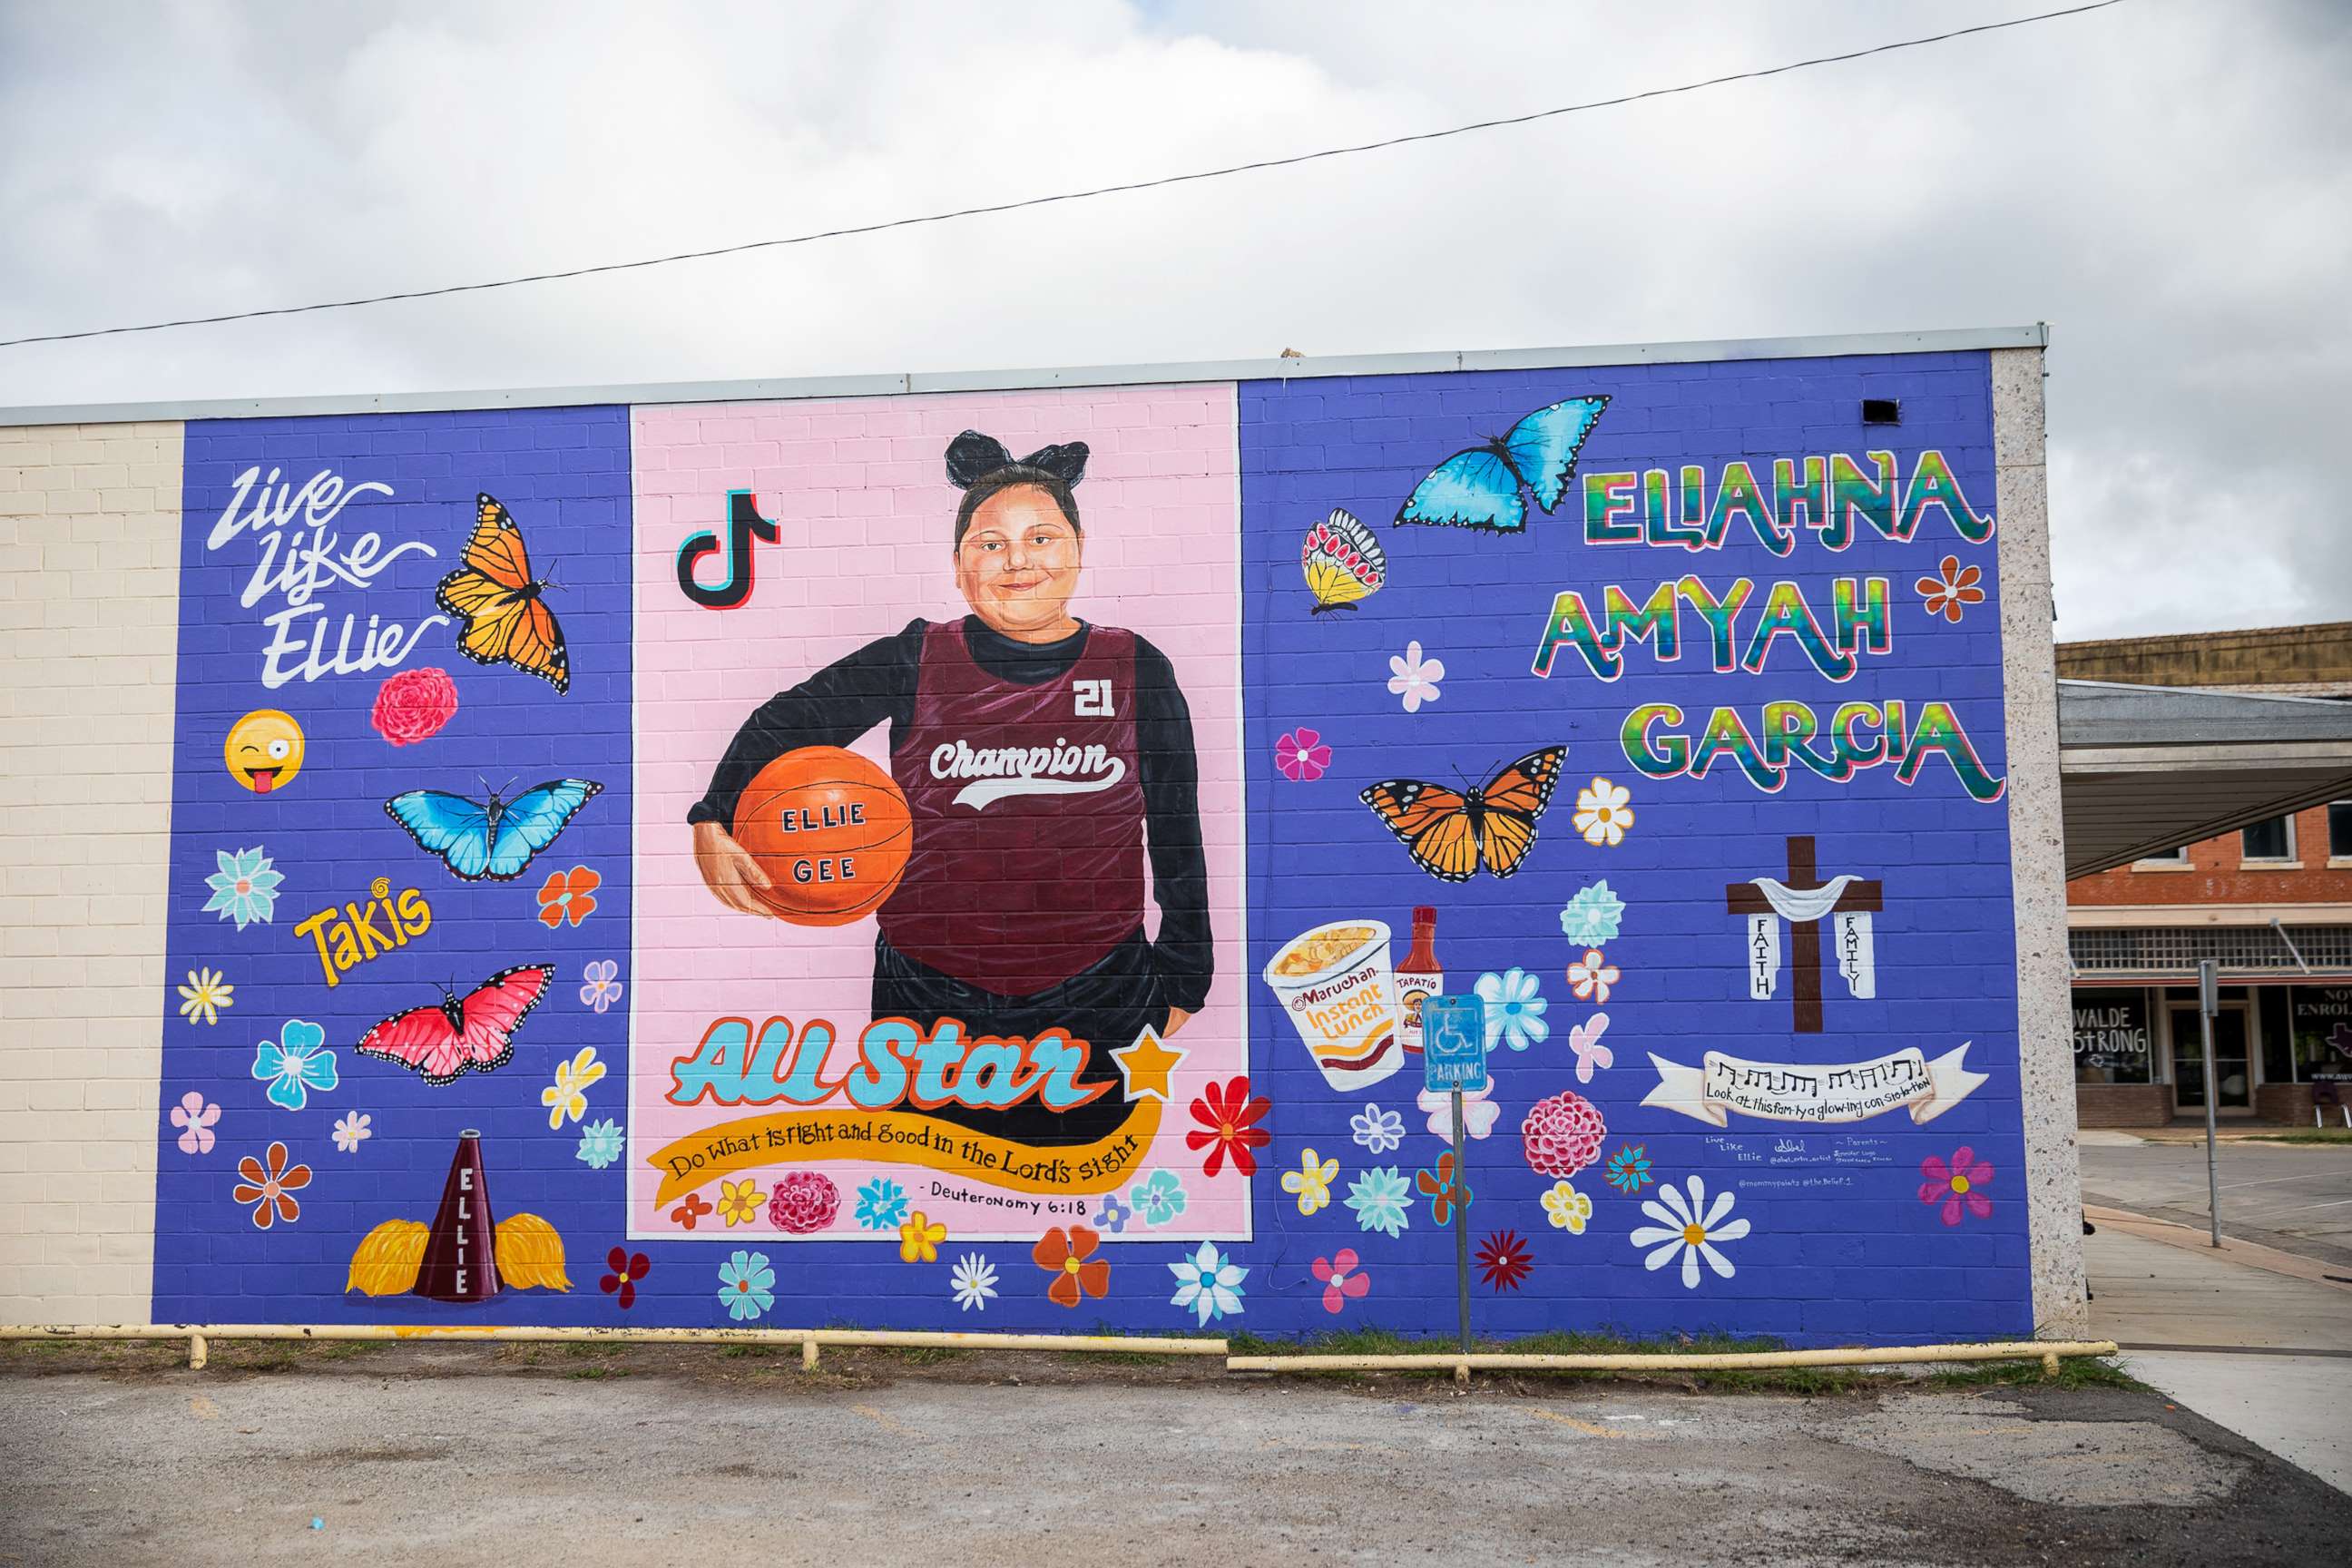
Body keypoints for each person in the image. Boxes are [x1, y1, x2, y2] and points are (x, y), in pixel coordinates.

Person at [689, 430, 1211, 1148]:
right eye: (989, 543)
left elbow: (1177, 826)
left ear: (1079, 549)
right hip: (929, 1000)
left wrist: (1186, 977)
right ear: (958, 566)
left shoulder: (1135, 666)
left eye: (1041, 537)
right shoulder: (915, 657)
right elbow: (792, 716)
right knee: (933, 1188)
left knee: (1077, 1181)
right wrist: (713, 817)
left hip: (1100, 993)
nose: (1017, 560)